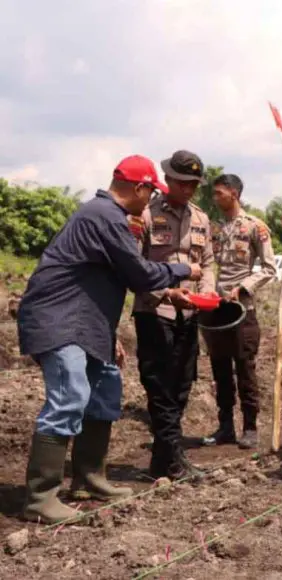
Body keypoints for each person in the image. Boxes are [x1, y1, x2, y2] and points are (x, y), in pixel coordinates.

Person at [16, 155, 200, 523]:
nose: (150, 201)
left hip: (88, 322)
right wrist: (184, 269)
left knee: (103, 391)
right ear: (139, 188)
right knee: (69, 397)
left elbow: (116, 277)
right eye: (151, 193)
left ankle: (88, 478)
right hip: (59, 320)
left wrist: (164, 296)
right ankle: (39, 497)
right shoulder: (104, 215)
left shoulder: (106, 217)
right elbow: (140, 274)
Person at [131, 150, 216, 480]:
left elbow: (207, 262)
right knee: (160, 388)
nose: (189, 190)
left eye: (194, 184)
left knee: (181, 386)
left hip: (189, 312)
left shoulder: (200, 218)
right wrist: (164, 293)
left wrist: (207, 290)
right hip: (156, 311)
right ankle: (172, 459)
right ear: (168, 180)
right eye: (183, 183)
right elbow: (135, 267)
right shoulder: (146, 216)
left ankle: (163, 460)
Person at [200, 173, 276, 450]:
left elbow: (269, 268)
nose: (215, 198)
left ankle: (250, 427)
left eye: (219, 193)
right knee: (220, 370)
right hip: (215, 309)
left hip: (243, 310)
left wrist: (243, 287)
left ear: (234, 193)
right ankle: (225, 427)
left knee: (245, 369)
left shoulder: (255, 226)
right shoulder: (213, 228)